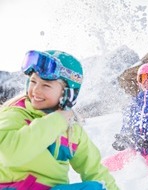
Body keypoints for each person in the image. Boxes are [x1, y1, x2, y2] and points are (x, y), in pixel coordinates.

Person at [0, 50, 119, 190]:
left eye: (46, 85)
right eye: (33, 81)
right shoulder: (15, 114)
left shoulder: (72, 132)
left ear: (67, 94)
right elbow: (9, 154)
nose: (36, 90)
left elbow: (94, 170)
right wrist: (57, 120)